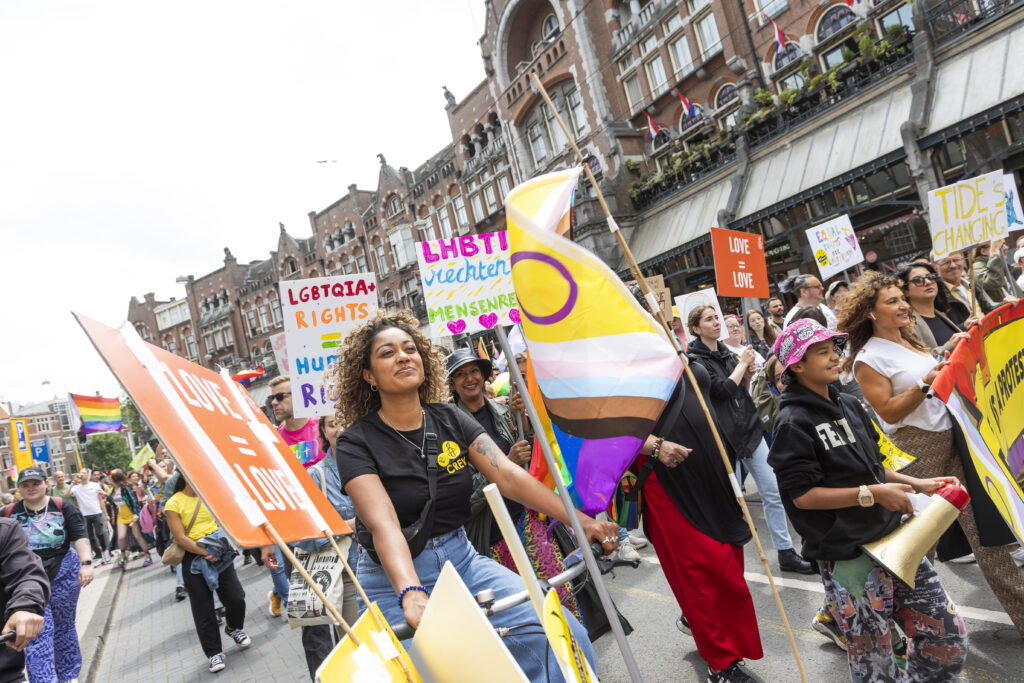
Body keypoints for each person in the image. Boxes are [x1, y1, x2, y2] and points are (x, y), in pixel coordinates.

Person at [331, 310, 619, 683]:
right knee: (448, 674)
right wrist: (410, 591)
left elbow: (511, 477)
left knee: (562, 641)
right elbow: (383, 523)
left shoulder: (450, 418)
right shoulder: (356, 441)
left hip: (463, 561)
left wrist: (585, 523)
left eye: (409, 348)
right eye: (387, 353)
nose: (403, 356)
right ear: (368, 375)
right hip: (392, 579)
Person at [767, 318, 968, 682]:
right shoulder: (792, 422)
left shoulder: (848, 404)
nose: (834, 358)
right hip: (849, 557)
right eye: (822, 353)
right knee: (874, 662)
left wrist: (917, 484)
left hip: (896, 543)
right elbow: (802, 497)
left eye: (835, 350)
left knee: (947, 636)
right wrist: (872, 495)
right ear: (797, 364)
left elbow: (874, 467)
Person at [840, 270, 1024, 637]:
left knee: (989, 531)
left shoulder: (910, 341)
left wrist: (951, 352)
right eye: (892, 301)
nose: (903, 305)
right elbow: (889, 411)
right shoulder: (868, 358)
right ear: (871, 313)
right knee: (916, 545)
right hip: (915, 450)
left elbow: (936, 376)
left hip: (952, 442)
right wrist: (927, 382)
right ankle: (855, 617)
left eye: (901, 299)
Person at [629, 294, 765, 683]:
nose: (653, 317)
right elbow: (601, 428)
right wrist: (653, 445)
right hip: (667, 479)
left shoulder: (673, 349)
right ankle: (721, 663)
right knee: (703, 569)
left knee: (729, 557)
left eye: (655, 312)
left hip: (711, 469)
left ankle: (705, 626)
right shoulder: (616, 365)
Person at [446, 348, 588, 622]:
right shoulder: (449, 429)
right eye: (460, 374)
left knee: (561, 591)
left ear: (485, 376)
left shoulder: (504, 411)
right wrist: (503, 466)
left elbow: (536, 457)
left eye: (474, 371)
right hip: (493, 534)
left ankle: (575, 653)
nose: (469, 379)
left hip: (527, 518)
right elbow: (464, 494)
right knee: (521, 607)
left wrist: (524, 419)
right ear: (452, 384)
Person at [686, 305, 813, 574]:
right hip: (723, 438)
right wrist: (742, 364)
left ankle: (786, 551)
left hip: (750, 430)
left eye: (715, 318)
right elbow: (721, 391)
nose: (716, 324)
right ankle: (730, 559)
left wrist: (748, 372)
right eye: (708, 320)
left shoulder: (727, 353)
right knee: (731, 502)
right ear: (696, 328)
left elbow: (741, 392)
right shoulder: (694, 361)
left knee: (773, 491)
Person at [262, 413, 359, 681]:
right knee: (358, 651)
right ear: (324, 433)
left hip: (383, 569)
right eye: (332, 424)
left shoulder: (371, 462)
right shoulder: (316, 477)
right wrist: (346, 526)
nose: (340, 428)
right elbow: (302, 536)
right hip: (346, 577)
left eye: (345, 420)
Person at [5, 466, 93, 683]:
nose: (31, 488)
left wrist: (87, 564)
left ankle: (68, 675)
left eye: (36, 483)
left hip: (62, 571)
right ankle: (44, 679)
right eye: (25, 485)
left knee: (64, 626)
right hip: (26, 579)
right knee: (39, 632)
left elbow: (79, 536)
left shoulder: (63, 506)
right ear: (18, 489)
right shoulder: (8, 513)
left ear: (46, 484)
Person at [165, 475, 251, 674]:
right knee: (203, 608)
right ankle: (214, 653)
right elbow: (179, 537)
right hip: (193, 559)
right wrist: (204, 552)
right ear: (185, 476)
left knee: (236, 598)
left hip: (220, 553)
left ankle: (233, 628)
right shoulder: (174, 503)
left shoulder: (209, 495)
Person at [266, 375, 319, 618]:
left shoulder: (322, 427)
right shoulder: (274, 441)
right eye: (272, 398)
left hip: (333, 525)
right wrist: (268, 541)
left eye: (280, 397)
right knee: (307, 614)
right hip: (295, 534)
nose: (274, 403)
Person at [0, 515, 48, 682]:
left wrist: (24, 607)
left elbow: (27, 575)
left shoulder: (4, 529)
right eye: (25, 485)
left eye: (35, 485)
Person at [897, 261, 973, 358]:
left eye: (930, 277)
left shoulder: (940, 313)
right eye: (918, 280)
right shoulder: (907, 324)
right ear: (905, 291)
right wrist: (949, 346)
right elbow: (919, 361)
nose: (928, 282)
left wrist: (965, 327)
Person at [110, 470, 154, 569]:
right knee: (120, 537)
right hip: (121, 516)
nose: (109, 481)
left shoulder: (126, 489)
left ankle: (148, 556)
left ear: (115, 479)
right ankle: (123, 556)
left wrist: (135, 514)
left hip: (131, 515)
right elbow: (112, 502)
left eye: (111, 479)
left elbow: (133, 501)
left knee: (138, 536)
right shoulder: (113, 490)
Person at [69, 469, 110, 565]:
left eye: (84, 473)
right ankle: (99, 555)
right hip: (84, 515)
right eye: (81, 473)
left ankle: (106, 551)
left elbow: (101, 500)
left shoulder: (94, 485)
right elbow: (66, 494)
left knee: (100, 533)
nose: (82, 475)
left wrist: (106, 514)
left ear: (88, 475)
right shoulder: (76, 488)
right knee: (90, 537)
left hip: (96, 512)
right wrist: (73, 481)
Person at [972, 238, 1022, 310]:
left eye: (1004, 244)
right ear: (983, 251)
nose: (1005, 248)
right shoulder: (976, 267)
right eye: (1000, 246)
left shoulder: (1001, 264)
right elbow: (992, 283)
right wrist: (995, 251)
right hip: (1004, 314)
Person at [932, 250, 974, 320]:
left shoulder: (973, 285)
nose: (953, 265)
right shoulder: (937, 296)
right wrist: (964, 326)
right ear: (935, 267)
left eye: (956, 260)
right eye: (946, 262)